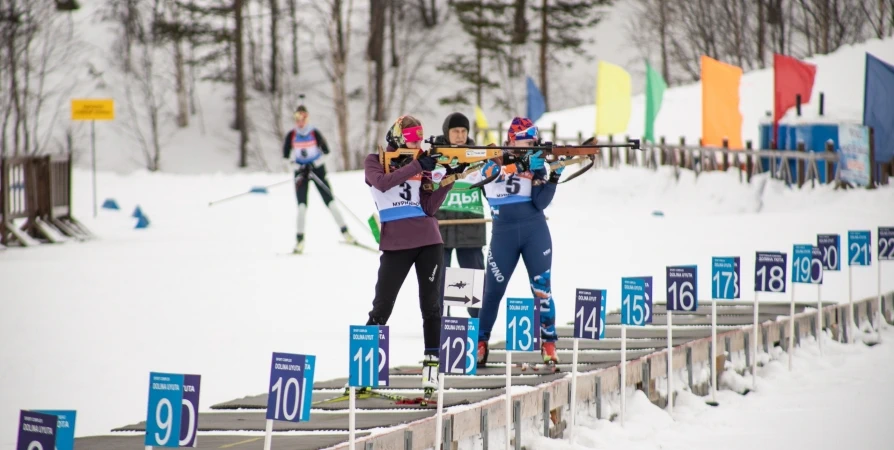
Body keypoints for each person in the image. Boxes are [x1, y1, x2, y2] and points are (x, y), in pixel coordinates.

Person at [363, 115, 459, 391]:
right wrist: (418, 164)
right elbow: (381, 183)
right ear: (397, 137)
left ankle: (432, 368)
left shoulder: (422, 163)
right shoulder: (374, 160)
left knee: (431, 307)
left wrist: (449, 179)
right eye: (412, 136)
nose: (417, 141)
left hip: (428, 240)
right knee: (381, 307)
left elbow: (429, 208)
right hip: (395, 244)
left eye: (420, 136)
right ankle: (364, 373)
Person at [475, 117, 565, 367]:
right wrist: (519, 164)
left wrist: (553, 176)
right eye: (528, 141)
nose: (532, 145)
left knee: (542, 289)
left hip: (534, 231)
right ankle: (481, 343)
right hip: (503, 234)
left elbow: (540, 202)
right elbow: (485, 177)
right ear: (513, 140)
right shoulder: (493, 156)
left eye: (534, 142)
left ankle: (549, 342)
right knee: (492, 291)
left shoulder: (536, 162)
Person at [432, 112, 485, 319]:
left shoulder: (478, 157)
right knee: (439, 279)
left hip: (471, 227)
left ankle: (477, 324)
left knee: (472, 279)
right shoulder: (435, 157)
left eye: (464, 131)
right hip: (440, 227)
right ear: (447, 133)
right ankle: (438, 321)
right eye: (456, 131)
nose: (460, 135)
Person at [282, 105, 355, 254]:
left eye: (303, 118)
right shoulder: (291, 135)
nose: (300, 122)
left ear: (307, 118)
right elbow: (285, 158)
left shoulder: (314, 132)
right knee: (301, 207)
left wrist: (314, 164)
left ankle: (346, 233)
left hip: (317, 171)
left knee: (331, 203)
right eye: (297, 118)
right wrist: (297, 167)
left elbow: (326, 153)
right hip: (301, 173)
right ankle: (299, 241)